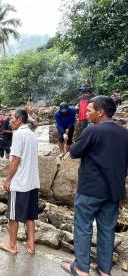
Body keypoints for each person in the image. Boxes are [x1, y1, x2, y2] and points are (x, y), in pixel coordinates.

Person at [61, 96, 128, 276]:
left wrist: (71, 139)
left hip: (91, 189)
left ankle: (82, 268)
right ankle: (104, 270)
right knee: (107, 230)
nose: (86, 113)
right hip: (114, 191)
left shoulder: (93, 131)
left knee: (83, 227)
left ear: (100, 112)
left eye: (90, 110)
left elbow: (74, 152)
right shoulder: (125, 133)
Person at [0, 109, 39, 255]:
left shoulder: (19, 134)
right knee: (30, 215)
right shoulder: (32, 135)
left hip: (20, 182)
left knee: (13, 216)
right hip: (32, 182)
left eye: (12, 118)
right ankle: (31, 245)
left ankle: (12, 245)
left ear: (20, 119)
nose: (10, 121)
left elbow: (15, 160)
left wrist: (8, 180)